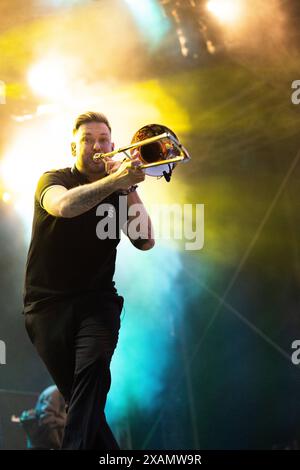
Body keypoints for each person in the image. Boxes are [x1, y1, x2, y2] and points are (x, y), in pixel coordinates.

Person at [23, 111, 155, 450]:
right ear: (73, 146)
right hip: (46, 307)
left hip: (98, 302)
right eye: (88, 140)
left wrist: (130, 187)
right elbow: (65, 207)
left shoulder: (121, 189)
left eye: (103, 141)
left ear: (113, 145)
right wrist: (116, 182)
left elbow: (145, 239)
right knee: (84, 402)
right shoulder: (53, 179)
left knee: (93, 369)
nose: (97, 147)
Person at [19, 385, 66, 450]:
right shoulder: (55, 392)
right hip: (44, 445)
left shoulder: (57, 391)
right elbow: (46, 419)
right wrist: (68, 422)